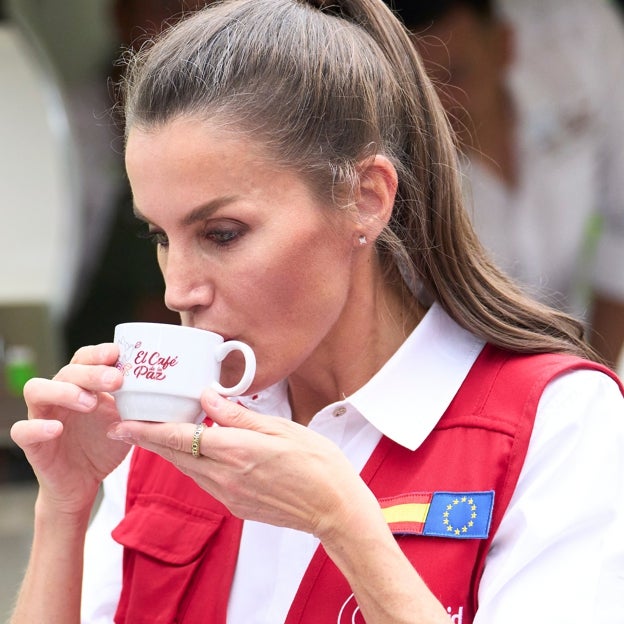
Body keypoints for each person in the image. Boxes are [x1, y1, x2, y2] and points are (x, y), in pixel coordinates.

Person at [7, 1, 624, 622]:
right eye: (161, 238)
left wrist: (344, 526)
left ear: (366, 198)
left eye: (222, 233)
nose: (179, 290)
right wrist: (63, 505)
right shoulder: (163, 428)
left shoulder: (558, 424)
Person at [385, 0, 624, 371]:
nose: (444, 102)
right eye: (425, 86)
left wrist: (596, 373)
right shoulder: (395, 173)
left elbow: (621, 228)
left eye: (456, 73)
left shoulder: (582, 40)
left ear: (503, 46)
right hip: (463, 373)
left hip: (585, 346)